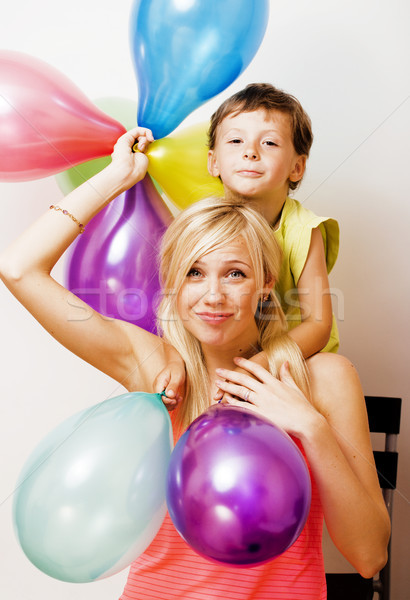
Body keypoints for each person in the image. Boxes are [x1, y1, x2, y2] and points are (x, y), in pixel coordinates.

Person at [0, 128, 390, 600]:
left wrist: (309, 426)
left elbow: (369, 555)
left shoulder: (324, 378)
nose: (213, 295)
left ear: (265, 285)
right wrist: (117, 177)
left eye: (235, 274)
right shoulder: (153, 364)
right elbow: (19, 268)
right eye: (195, 273)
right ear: (173, 285)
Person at [207, 83, 340, 358]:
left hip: (294, 357)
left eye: (269, 142)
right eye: (235, 141)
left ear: (297, 167)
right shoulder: (205, 225)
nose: (250, 152)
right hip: (228, 353)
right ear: (214, 162)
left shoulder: (303, 229)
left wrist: (264, 362)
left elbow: (317, 325)